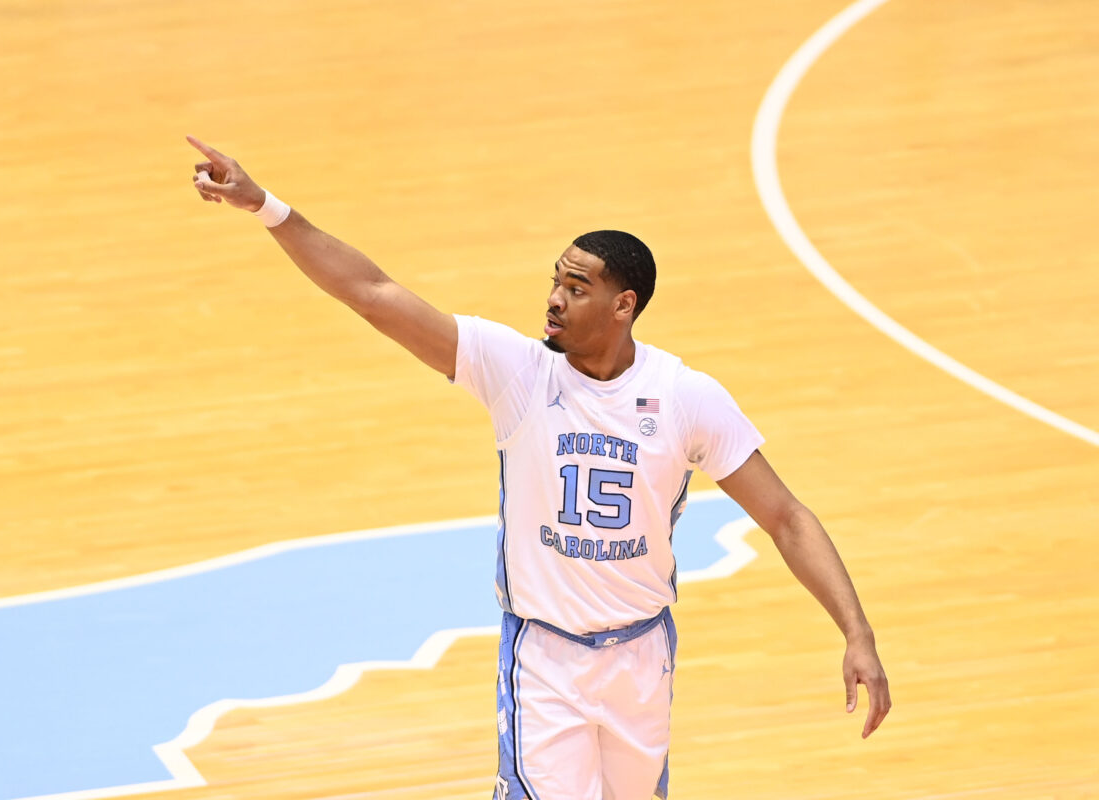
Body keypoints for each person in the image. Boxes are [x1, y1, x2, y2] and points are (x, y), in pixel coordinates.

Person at [186, 135, 891, 800]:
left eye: (577, 288)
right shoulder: (516, 371)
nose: (554, 298)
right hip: (546, 660)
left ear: (624, 306)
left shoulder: (684, 397)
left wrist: (855, 631)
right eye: (555, 281)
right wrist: (266, 206)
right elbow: (371, 291)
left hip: (643, 656)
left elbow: (786, 517)